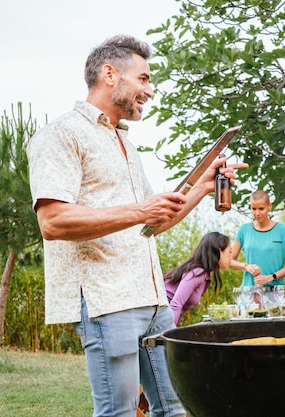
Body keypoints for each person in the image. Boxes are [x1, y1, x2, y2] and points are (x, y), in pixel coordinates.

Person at [27, 34, 246, 417]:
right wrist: (141, 210)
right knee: (120, 412)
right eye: (143, 79)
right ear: (110, 74)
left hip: (153, 299)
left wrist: (203, 186)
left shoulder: (124, 143)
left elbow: (153, 222)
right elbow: (53, 220)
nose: (150, 90)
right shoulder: (61, 134)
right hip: (107, 301)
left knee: (175, 408)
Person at [231, 190, 285, 288]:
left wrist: (271, 277)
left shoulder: (282, 230)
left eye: (261, 209)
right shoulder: (244, 230)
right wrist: (246, 266)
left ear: (269, 206)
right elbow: (228, 260)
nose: (257, 213)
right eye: (253, 209)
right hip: (249, 291)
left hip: (274, 292)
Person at [165, 232, 232, 325]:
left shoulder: (205, 275)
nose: (231, 257)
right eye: (229, 252)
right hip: (155, 317)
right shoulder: (198, 272)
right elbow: (176, 305)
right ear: (220, 252)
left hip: (165, 318)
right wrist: (169, 335)